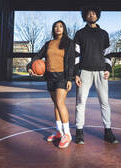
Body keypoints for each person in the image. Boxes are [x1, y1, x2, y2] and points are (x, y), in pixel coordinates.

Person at [74, 6, 118, 144]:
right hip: (84, 72)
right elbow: (76, 55)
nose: (91, 15)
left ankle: (108, 131)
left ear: (97, 15)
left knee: (104, 102)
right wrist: (76, 73)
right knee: (81, 102)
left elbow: (108, 53)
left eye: (94, 13)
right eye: (89, 13)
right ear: (85, 16)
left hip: (100, 72)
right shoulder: (80, 33)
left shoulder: (104, 33)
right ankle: (79, 131)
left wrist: (108, 69)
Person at [27, 20, 75, 148]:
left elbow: (71, 62)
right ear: (53, 29)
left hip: (62, 77)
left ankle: (68, 134)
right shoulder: (48, 43)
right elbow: (37, 56)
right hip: (50, 76)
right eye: (55, 27)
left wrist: (70, 79)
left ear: (64, 28)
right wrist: (30, 66)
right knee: (56, 104)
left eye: (60, 26)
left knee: (60, 103)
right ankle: (59, 132)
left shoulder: (69, 43)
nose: (58, 28)